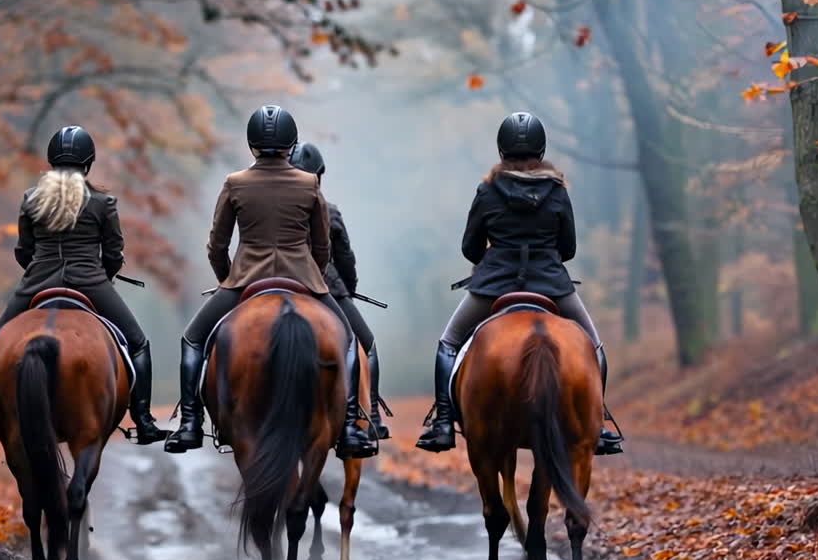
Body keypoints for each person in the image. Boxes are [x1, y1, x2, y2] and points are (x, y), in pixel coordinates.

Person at [163, 105, 374, 458]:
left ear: (252, 144)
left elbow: (217, 245)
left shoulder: (235, 183)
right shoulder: (309, 184)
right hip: (304, 278)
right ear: (291, 144)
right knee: (350, 341)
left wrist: (228, 280)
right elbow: (322, 247)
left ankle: (190, 423)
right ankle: (351, 426)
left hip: (246, 277)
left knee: (193, 339)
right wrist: (311, 276)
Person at [415, 112, 624, 455]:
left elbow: (470, 248)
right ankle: (597, 422)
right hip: (551, 284)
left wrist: (492, 257)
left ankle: (443, 423)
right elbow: (568, 249)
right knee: (594, 347)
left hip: (494, 285)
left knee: (449, 343)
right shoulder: (557, 191)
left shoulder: (487, 190)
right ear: (541, 149)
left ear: (501, 149)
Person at [0, 125, 168, 445]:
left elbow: (24, 251)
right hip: (91, 284)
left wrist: (37, 273)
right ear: (88, 162)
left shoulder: (31, 199)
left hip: (37, 283)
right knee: (138, 343)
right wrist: (104, 277)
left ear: (51, 160)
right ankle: (143, 419)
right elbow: (113, 254)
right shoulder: (103, 202)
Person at [289, 141, 390, 440]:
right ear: (318, 176)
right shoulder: (329, 211)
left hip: (281, 280)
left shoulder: (273, 206)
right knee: (366, 344)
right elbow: (345, 259)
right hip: (327, 288)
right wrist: (349, 289)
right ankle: (370, 415)